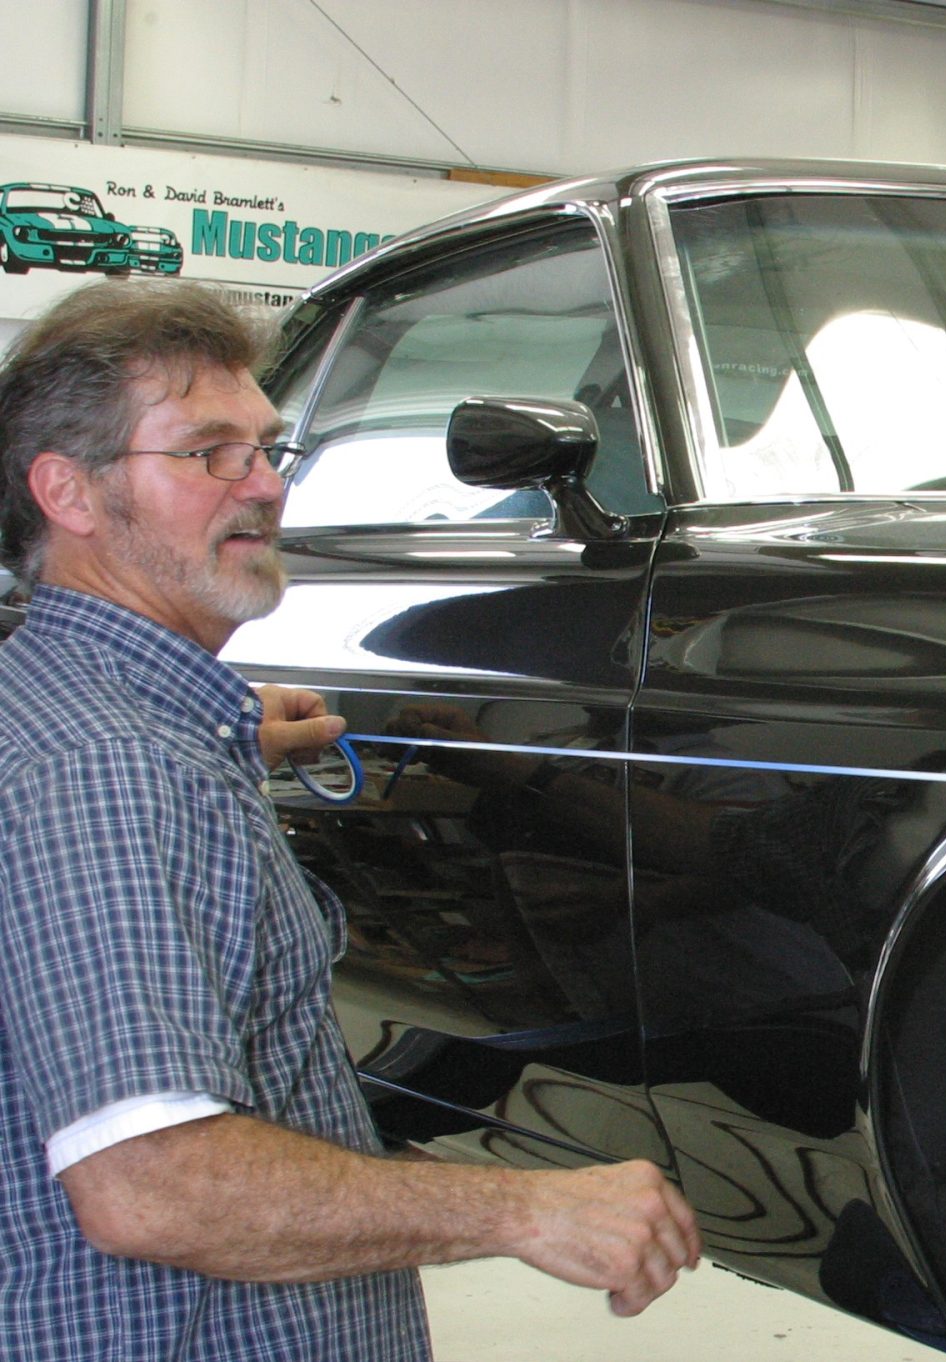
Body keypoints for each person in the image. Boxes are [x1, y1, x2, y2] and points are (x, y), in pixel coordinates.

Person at [0, 279, 700, 1360]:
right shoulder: (110, 770)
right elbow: (153, 1186)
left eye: (267, 449)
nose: (267, 486)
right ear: (69, 492)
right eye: (209, 454)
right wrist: (524, 1209)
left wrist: (223, 741)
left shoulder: (72, 712)